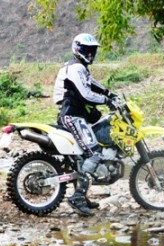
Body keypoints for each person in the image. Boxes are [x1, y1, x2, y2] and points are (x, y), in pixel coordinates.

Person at [53, 33, 116, 216]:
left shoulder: (79, 67)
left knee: (83, 156)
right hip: (72, 116)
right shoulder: (75, 68)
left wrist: (108, 92)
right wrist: (106, 100)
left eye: (92, 50)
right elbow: (85, 94)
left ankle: (83, 195)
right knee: (94, 152)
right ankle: (78, 197)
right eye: (86, 50)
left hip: (76, 114)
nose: (89, 53)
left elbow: (91, 83)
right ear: (77, 49)